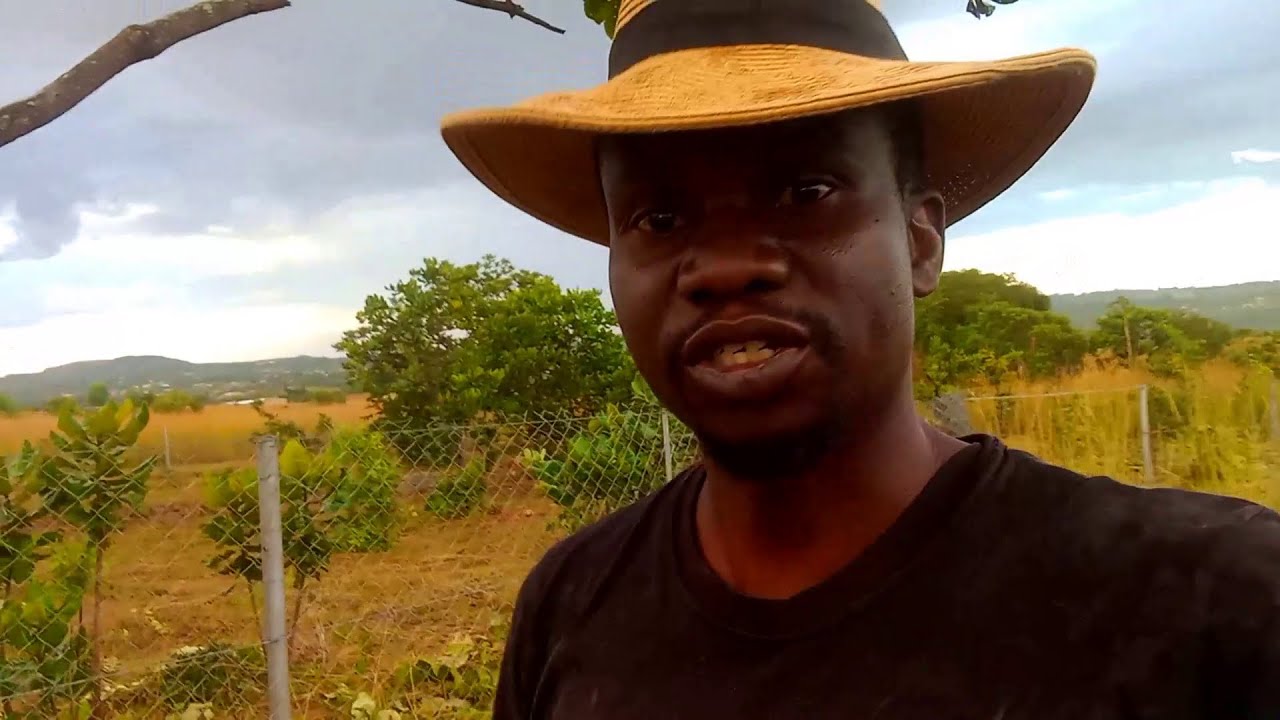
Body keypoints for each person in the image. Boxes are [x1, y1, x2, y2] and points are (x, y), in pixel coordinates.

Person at [440, 0, 1280, 717]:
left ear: (920, 240)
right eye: (659, 220)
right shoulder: (573, 604)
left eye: (807, 192)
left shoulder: (1217, 604)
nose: (728, 266)